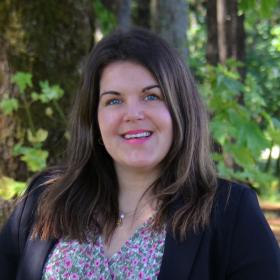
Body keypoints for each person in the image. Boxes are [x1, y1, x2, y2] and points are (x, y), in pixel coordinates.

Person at [0, 27, 279, 280]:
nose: (132, 114)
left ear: (179, 109)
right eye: (114, 100)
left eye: (151, 96)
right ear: (94, 119)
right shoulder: (46, 197)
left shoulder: (230, 211)